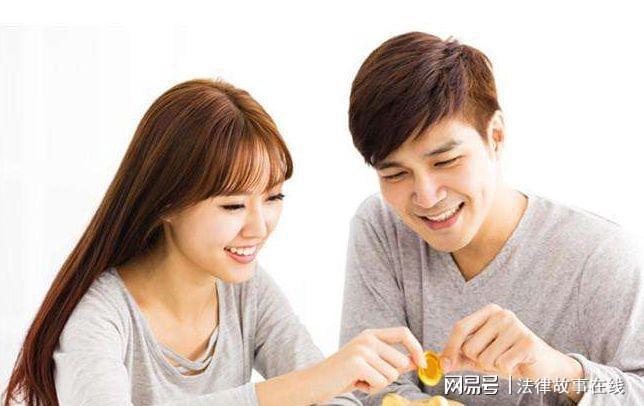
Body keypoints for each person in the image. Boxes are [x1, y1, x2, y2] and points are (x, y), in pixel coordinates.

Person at [3, 79, 429, 406]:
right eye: (233, 206)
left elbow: (330, 390)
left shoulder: (247, 291)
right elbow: (313, 381)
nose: (258, 227)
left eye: (273, 198)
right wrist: (300, 387)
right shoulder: (100, 317)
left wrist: (332, 386)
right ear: (166, 202)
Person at [340, 31, 644, 405]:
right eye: (395, 174)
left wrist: (563, 371)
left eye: (446, 161)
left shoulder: (600, 255)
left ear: (495, 136)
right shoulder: (383, 228)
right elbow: (368, 386)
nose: (427, 197)